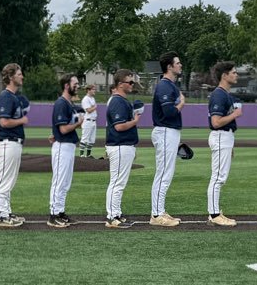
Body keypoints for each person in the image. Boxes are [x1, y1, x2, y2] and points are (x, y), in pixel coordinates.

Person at [103, 69, 143, 228]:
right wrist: (135, 121)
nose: (132, 84)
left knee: (119, 182)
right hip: (119, 145)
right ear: (120, 84)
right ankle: (112, 217)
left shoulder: (121, 100)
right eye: (130, 82)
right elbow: (119, 127)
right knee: (117, 183)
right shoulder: (117, 101)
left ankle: (116, 213)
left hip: (123, 145)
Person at [150, 52, 185, 227]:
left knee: (166, 173)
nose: (180, 65)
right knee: (163, 173)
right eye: (177, 63)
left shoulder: (170, 85)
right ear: (169, 66)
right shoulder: (164, 86)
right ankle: (156, 215)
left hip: (168, 132)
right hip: (165, 131)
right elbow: (169, 112)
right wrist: (181, 103)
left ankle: (160, 210)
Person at [206, 61, 242, 227]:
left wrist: (231, 145)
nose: (236, 75)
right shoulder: (219, 94)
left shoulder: (225, 94)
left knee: (220, 176)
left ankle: (215, 212)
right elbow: (216, 122)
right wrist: (235, 115)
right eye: (233, 72)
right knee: (218, 177)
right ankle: (214, 214)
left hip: (225, 137)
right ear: (224, 75)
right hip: (220, 135)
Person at [0, 63, 29, 228]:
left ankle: (6, 212)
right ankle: (1, 215)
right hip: (8, 142)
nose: (22, 76)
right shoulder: (6, 96)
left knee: (9, 181)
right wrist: (21, 120)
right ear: (12, 76)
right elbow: (4, 122)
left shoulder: (13, 97)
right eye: (19, 74)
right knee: (3, 181)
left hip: (13, 142)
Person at [47, 74, 82, 228]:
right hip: (62, 146)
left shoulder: (69, 103)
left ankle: (60, 212)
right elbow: (63, 129)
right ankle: (53, 215)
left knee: (65, 182)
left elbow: (60, 129)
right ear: (67, 85)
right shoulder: (61, 103)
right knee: (59, 181)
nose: (78, 86)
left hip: (67, 145)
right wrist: (78, 124)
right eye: (75, 83)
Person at [78, 84, 98, 159]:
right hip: (87, 121)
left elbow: (91, 109)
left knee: (92, 140)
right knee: (85, 138)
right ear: (88, 90)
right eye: (93, 89)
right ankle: (81, 155)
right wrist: (94, 107)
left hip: (93, 121)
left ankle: (88, 155)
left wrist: (93, 107)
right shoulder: (85, 99)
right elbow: (88, 110)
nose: (95, 90)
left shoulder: (92, 98)